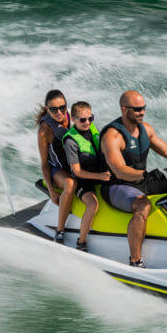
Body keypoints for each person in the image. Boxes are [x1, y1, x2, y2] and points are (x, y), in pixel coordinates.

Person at [100, 90, 167, 267]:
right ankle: (135, 260)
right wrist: (146, 175)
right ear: (125, 110)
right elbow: (120, 170)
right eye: (137, 109)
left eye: (143, 108)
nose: (142, 112)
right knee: (143, 205)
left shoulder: (146, 129)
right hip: (117, 186)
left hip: (142, 182)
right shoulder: (112, 136)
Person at [62, 101, 111, 251]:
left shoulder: (93, 129)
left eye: (90, 118)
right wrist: (100, 176)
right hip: (83, 180)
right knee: (92, 204)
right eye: (83, 120)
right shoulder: (70, 141)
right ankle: (81, 242)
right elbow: (76, 171)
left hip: (100, 173)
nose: (87, 122)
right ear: (74, 119)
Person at [35, 89, 76, 242]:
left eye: (62, 108)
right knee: (70, 184)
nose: (59, 112)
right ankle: (59, 231)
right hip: (57, 169)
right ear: (47, 109)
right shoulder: (44, 131)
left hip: (74, 164)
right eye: (53, 109)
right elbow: (45, 164)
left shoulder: (73, 116)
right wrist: (52, 191)